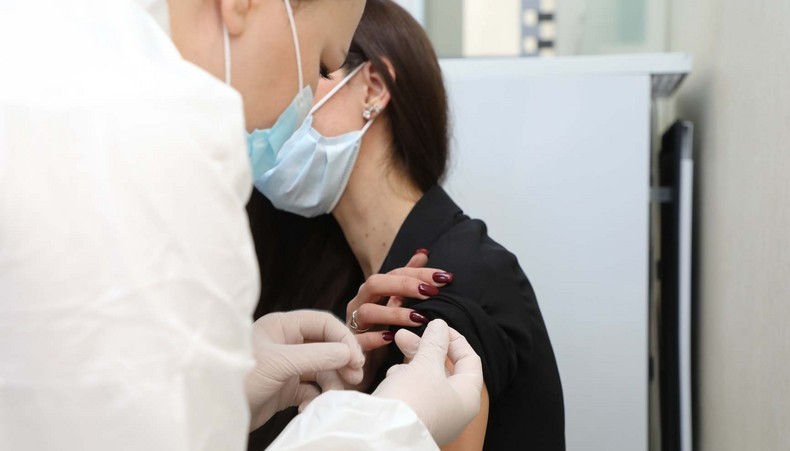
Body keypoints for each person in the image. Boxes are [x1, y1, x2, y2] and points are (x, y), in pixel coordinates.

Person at [0, 0, 483, 450]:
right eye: (320, 63)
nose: (297, 110)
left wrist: (219, 390)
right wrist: (390, 426)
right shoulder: (146, 148)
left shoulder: (57, 71)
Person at [247, 1, 565, 450]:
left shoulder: (455, 277)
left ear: (374, 89)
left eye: (318, 68)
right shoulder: (339, 286)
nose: (285, 95)